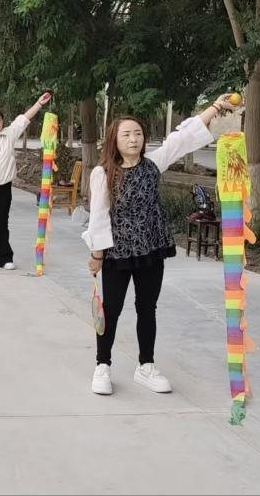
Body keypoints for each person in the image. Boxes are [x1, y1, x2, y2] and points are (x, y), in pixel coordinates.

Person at [83, 93, 238, 396]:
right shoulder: (103, 173)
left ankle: (146, 366)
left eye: (138, 133)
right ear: (114, 140)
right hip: (117, 253)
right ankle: (103, 365)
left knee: (147, 308)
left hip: (152, 249)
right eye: (126, 135)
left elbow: (183, 138)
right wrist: (97, 255)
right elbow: (99, 217)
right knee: (111, 310)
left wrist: (215, 107)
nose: (133, 139)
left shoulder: (153, 163)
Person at [0, 93, 51, 271]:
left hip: (4, 188)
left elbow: (23, 119)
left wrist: (39, 103)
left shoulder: (8, 135)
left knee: (3, 223)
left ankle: (5, 258)